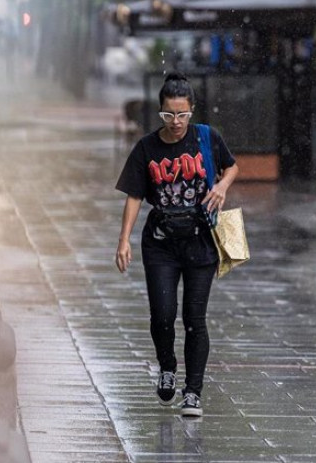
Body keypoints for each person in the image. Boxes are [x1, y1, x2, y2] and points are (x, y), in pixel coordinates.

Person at [115, 72, 239, 416]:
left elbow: (232, 167)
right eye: (169, 115)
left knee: (194, 318)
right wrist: (123, 239)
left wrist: (222, 187)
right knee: (162, 316)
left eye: (182, 114)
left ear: (192, 110)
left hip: (201, 242)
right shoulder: (147, 148)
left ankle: (193, 392)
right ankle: (167, 367)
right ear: (160, 112)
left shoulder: (206, 138)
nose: (176, 123)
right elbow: (135, 195)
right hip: (160, 244)